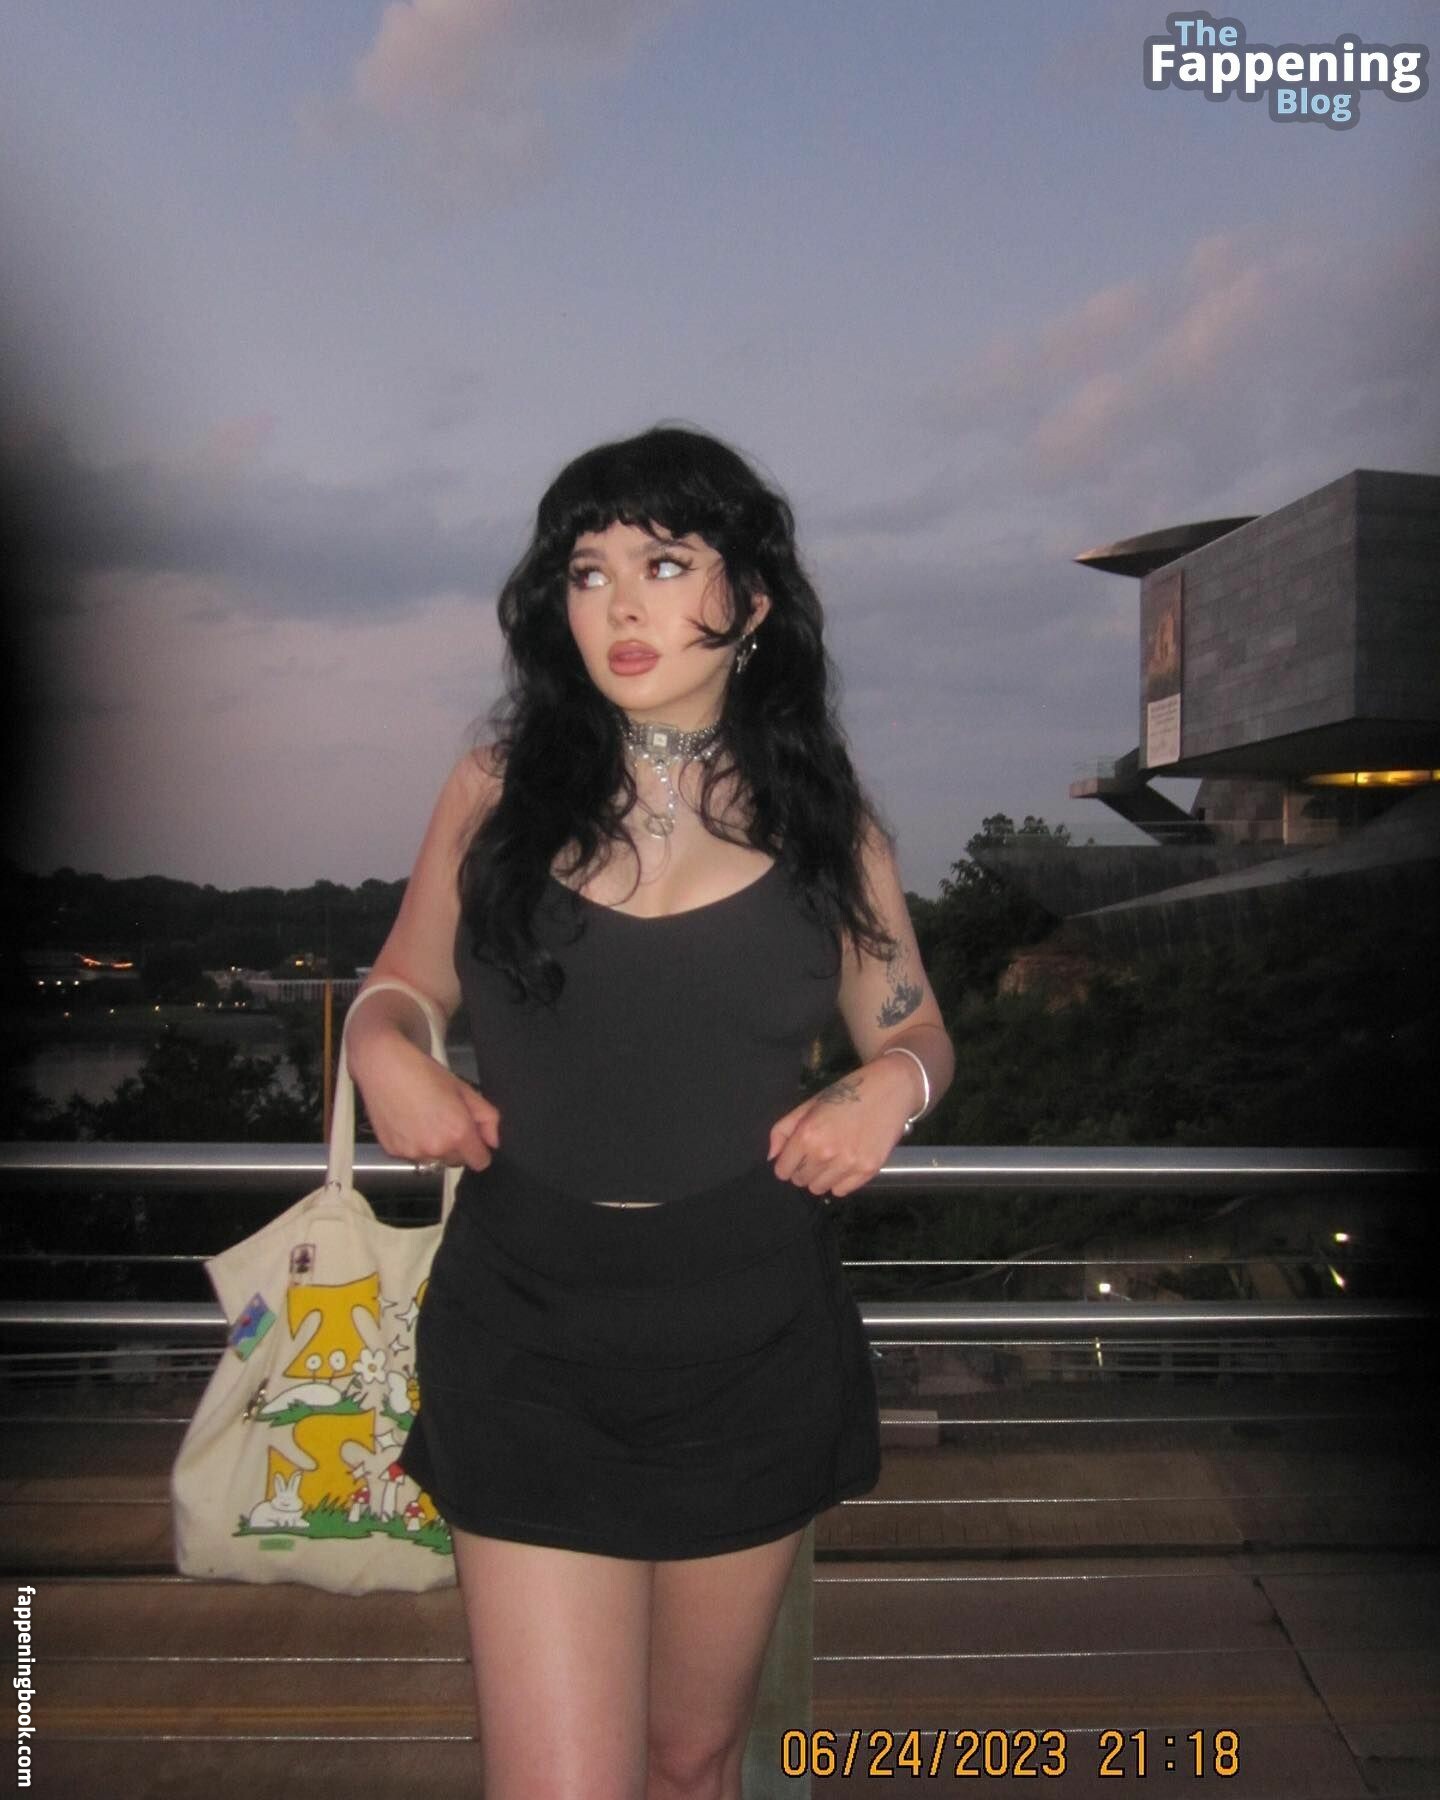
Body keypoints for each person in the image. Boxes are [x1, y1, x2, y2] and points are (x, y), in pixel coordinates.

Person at [345, 424, 954, 1800]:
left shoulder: (829, 822)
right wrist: (383, 1049)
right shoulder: (496, 789)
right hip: (526, 1335)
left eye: (665, 563)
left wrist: (891, 1085)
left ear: (753, 599)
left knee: (691, 1763)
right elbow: (401, 983)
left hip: (749, 1339)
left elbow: (913, 1025)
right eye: (588, 571)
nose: (619, 604)